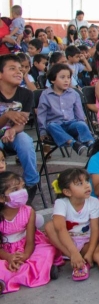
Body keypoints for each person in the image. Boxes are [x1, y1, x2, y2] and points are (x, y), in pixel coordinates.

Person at [0, 171, 63, 294]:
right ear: (2, 198)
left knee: (46, 251)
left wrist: (26, 255)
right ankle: (39, 271)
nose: (22, 192)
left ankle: (12, 275)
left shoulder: (29, 211)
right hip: (4, 250)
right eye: (15, 190)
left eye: (23, 187)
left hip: (26, 246)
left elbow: (30, 240)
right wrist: (8, 257)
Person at [0, 55, 39, 204]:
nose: (19, 71)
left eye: (20, 68)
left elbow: (21, 123)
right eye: (12, 68)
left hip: (13, 134)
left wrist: (13, 130)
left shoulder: (26, 94)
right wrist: (6, 116)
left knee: (25, 141)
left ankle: (30, 183)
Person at [37, 64, 94, 156]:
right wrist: (42, 131)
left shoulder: (74, 94)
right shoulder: (46, 95)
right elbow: (41, 115)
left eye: (68, 77)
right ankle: (73, 143)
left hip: (71, 124)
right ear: (52, 80)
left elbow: (79, 113)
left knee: (81, 123)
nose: (67, 80)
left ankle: (91, 144)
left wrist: (83, 126)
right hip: (56, 127)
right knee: (51, 126)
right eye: (62, 77)